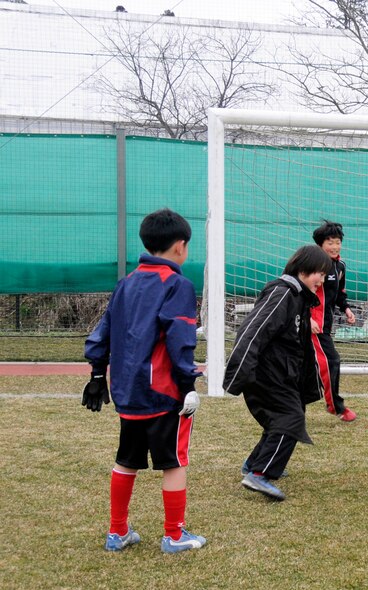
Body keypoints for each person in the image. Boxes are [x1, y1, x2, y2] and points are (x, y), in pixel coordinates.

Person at [83, 208, 205, 554]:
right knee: (174, 461)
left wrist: (96, 374)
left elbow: (102, 331)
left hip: (127, 390)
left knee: (126, 459)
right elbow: (180, 338)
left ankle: (117, 532)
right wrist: (189, 386)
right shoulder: (177, 284)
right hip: (163, 393)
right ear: (180, 246)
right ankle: (174, 535)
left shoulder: (127, 282)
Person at [223, 244, 331, 501]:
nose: (322, 281)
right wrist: (239, 369)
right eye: (319, 274)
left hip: (282, 375)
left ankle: (253, 464)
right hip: (264, 374)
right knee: (290, 418)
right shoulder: (282, 293)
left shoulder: (298, 298)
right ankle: (260, 474)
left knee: (285, 418)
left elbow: (294, 345)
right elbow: (254, 329)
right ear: (304, 270)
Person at [310, 220, 358, 422]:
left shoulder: (340, 266)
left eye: (337, 242)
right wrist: (307, 318)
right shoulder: (312, 264)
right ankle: (335, 406)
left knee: (302, 367)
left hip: (324, 326)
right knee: (331, 362)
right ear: (321, 244)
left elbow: (339, 294)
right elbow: (299, 293)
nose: (334, 246)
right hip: (311, 327)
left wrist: (346, 309)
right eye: (330, 242)